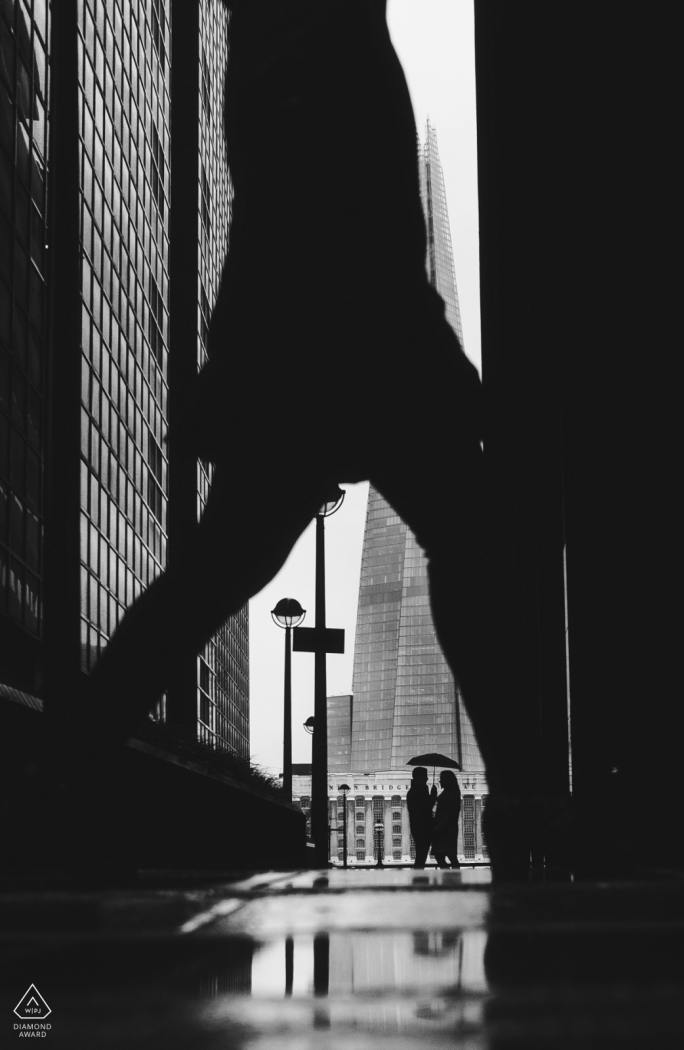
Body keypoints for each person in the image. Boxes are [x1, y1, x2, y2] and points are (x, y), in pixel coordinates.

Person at [54, 2, 534, 872]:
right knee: (461, 528)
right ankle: (529, 802)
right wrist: (374, 291)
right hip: (346, 310)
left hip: (319, 309)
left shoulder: (283, 32)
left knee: (227, 561)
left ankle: (69, 764)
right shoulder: (302, 36)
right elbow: (307, 138)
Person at [406, 767, 437, 869]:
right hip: (423, 827)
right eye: (425, 776)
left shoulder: (414, 790)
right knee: (421, 855)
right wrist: (433, 796)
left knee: (421, 854)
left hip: (417, 826)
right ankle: (419, 879)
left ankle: (418, 878)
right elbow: (426, 808)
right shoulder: (420, 790)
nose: (427, 778)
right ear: (420, 777)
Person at [431, 771, 462, 869]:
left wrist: (439, 826)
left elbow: (451, 813)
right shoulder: (450, 792)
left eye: (442, 778)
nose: (440, 781)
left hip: (446, 829)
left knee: (447, 855)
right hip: (446, 828)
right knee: (445, 855)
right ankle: (452, 877)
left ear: (448, 780)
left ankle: (451, 878)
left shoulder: (452, 793)